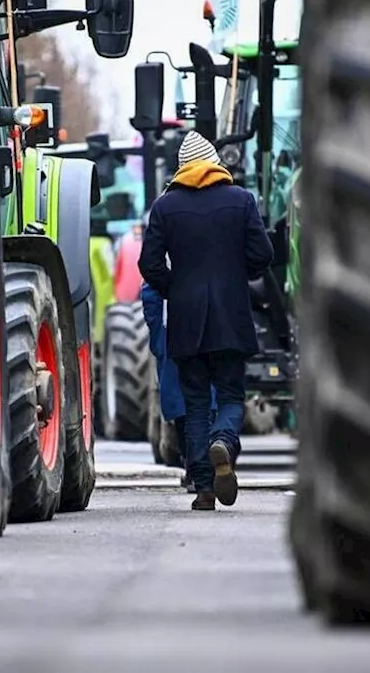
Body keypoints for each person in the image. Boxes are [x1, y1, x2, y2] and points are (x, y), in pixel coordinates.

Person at [138, 131, 274, 511]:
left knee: (196, 401)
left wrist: (175, 289)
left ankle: (203, 488)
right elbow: (263, 253)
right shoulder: (241, 200)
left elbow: (148, 264)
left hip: (186, 319)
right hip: (231, 316)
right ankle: (224, 442)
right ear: (216, 164)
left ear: (182, 169)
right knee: (230, 394)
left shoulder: (165, 207)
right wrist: (235, 274)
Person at [139, 279, 217, 493]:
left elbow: (151, 287)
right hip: (210, 327)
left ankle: (196, 468)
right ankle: (206, 463)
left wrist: (158, 339)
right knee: (208, 400)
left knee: (184, 404)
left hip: (174, 329)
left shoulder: (168, 251)